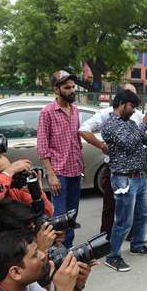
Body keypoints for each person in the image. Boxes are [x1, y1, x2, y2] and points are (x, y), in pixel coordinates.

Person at [101, 89, 147, 272]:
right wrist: (144, 124)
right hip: (123, 179)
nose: (134, 110)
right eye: (132, 106)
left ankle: (138, 244)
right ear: (121, 103)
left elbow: (143, 141)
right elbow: (128, 144)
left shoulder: (130, 123)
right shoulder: (110, 125)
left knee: (144, 214)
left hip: (139, 175)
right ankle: (113, 256)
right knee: (123, 221)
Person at [79, 83, 143, 240]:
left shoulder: (138, 115)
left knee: (133, 204)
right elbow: (83, 129)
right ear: (121, 99)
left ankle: (130, 234)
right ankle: (105, 236)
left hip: (134, 168)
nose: (133, 102)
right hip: (114, 168)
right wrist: (101, 145)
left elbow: (145, 137)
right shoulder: (106, 115)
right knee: (110, 204)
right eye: (130, 96)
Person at [37, 70, 83, 248]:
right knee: (59, 217)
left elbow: (77, 139)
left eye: (73, 87)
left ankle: (69, 248)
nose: (72, 90)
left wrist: (82, 164)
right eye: (67, 87)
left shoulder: (75, 109)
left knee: (72, 215)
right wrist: (51, 174)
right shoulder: (47, 113)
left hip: (75, 170)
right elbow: (42, 146)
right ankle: (58, 252)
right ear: (57, 90)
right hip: (59, 173)